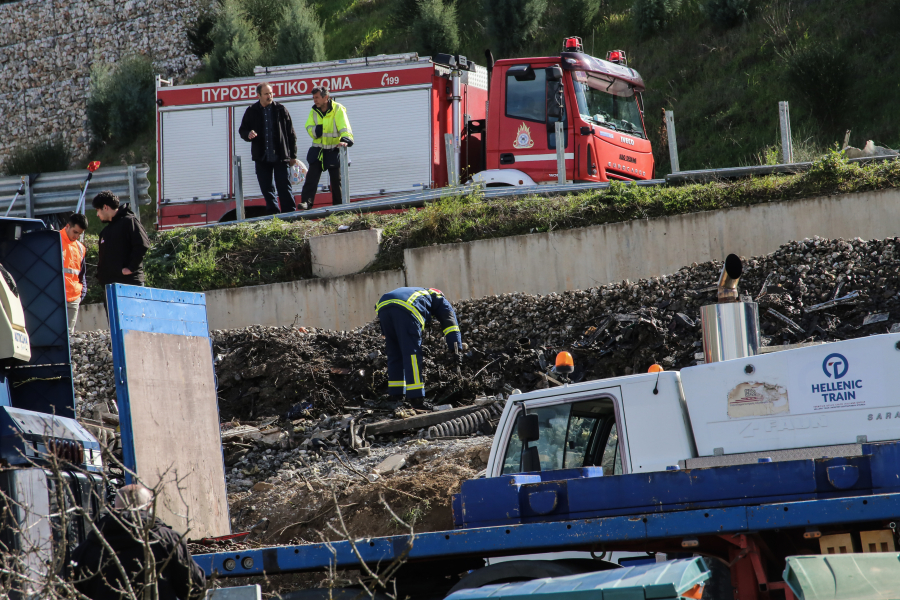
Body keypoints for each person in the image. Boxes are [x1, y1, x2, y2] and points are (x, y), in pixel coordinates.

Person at [70, 484, 206, 600]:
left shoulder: (86, 550)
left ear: (114, 508)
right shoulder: (168, 541)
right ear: (150, 506)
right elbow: (195, 591)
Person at [376, 287, 462, 407]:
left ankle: (395, 395)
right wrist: (456, 348)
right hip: (406, 308)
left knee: (394, 353)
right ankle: (416, 398)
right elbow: (451, 324)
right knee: (411, 354)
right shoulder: (438, 297)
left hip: (383, 306)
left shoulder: (418, 293)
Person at [238, 82, 305, 214]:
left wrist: (293, 156)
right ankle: (274, 215)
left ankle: (289, 215)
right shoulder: (251, 111)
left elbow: (291, 134)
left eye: (271, 93)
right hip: (262, 157)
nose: (270, 96)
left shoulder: (280, 109)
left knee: (284, 188)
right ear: (259, 95)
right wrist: (248, 134)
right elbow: (242, 130)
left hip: (280, 156)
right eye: (266, 94)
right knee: (267, 189)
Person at [92, 191, 150, 310]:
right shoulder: (105, 232)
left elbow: (142, 245)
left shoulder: (130, 221)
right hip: (111, 288)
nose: (97, 214)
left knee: (134, 324)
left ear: (105, 207)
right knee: (115, 326)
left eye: (97, 210)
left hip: (129, 285)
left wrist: (131, 268)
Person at [300, 86, 354, 208]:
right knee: (311, 179)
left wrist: (345, 140)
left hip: (334, 150)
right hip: (318, 151)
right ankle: (306, 203)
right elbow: (308, 127)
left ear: (326, 97)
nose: (315, 100)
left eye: (317, 98)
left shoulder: (338, 109)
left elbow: (345, 127)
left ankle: (339, 207)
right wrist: (315, 130)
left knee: (336, 181)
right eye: (313, 98)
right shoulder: (314, 111)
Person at [60, 213, 88, 333]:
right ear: (67, 226)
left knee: (68, 336)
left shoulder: (81, 248)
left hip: (74, 298)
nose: (76, 236)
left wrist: (81, 293)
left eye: (80, 233)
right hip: (57, 297)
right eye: (75, 232)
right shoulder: (54, 241)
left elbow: (81, 274)